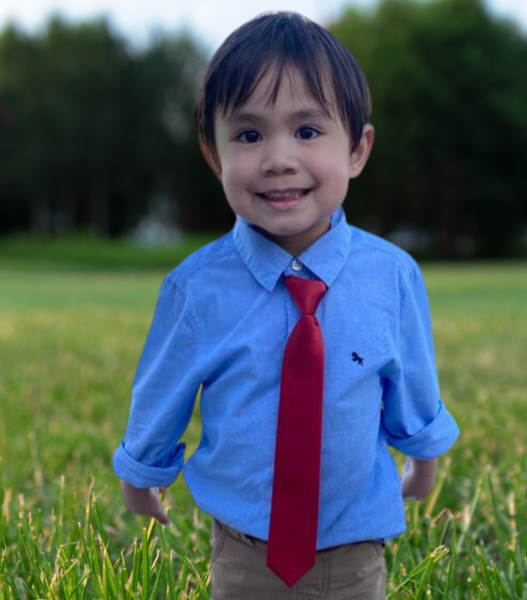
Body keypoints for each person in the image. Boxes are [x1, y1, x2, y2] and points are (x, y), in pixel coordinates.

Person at [113, 11, 460, 600]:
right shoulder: (196, 289)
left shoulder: (392, 276)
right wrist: (142, 475)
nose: (278, 158)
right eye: (248, 135)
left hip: (356, 545)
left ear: (357, 149)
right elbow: (162, 392)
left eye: (307, 131)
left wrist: (423, 458)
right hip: (247, 548)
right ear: (214, 156)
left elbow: (411, 380)